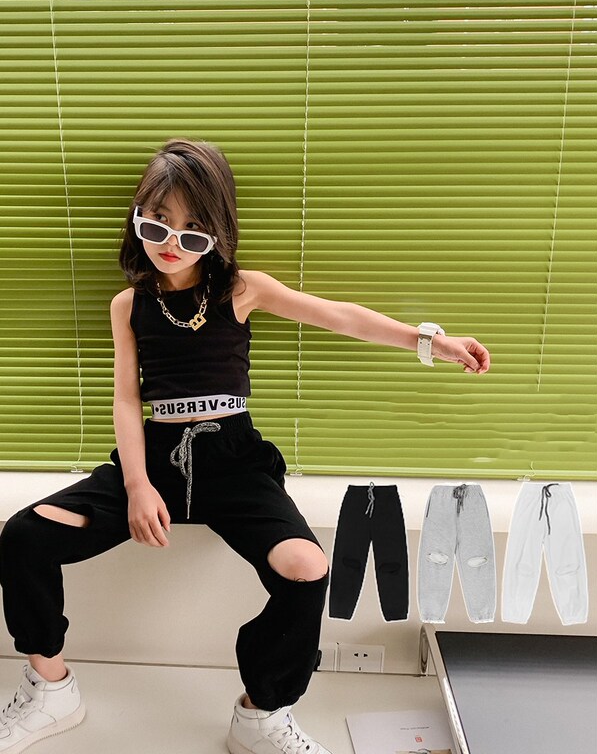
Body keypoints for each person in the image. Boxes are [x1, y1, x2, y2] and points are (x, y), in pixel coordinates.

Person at [0, 138, 491, 754]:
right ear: (137, 218)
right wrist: (136, 484)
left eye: (192, 231)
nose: (171, 243)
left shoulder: (241, 288)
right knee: (24, 537)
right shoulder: (129, 304)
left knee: (308, 568)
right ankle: (51, 690)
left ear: (217, 231)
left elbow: (339, 316)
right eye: (156, 223)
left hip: (234, 462)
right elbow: (128, 400)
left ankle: (261, 714)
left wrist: (431, 341)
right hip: (153, 460)